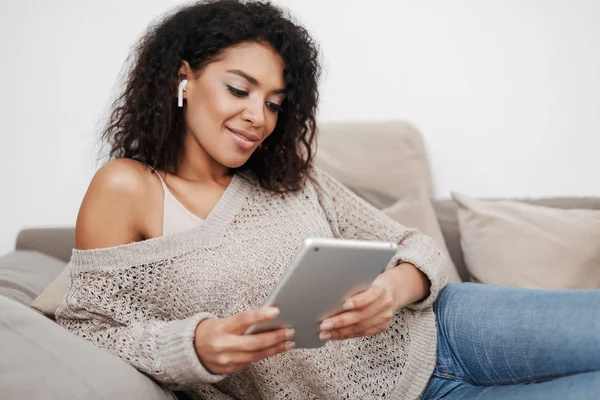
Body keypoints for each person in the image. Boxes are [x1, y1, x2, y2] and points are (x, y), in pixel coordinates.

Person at [55, 1, 600, 399]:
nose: (257, 118)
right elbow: (90, 329)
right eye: (239, 89)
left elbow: (418, 245)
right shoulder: (127, 186)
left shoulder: (288, 175)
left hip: (451, 327)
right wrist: (194, 346)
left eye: (274, 103)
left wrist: (391, 288)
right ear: (183, 79)